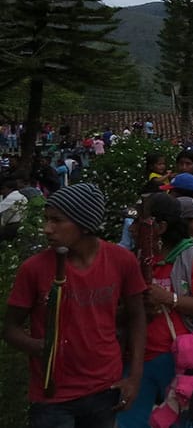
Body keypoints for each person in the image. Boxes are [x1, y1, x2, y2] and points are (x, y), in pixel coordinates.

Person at [4, 183, 147, 426]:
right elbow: (10, 328)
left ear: (84, 223)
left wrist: (134, 377)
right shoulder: (34, 269)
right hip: (52, 396)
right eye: (46, 219)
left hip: (105, 388)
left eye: (57, 221)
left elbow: (137, 316)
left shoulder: (122, 260)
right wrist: (40, 347)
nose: (47, 229)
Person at [119, 194, 193, 428]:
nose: (132, 230)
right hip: (137, 360)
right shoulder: (134, 259)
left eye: (139, 223)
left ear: (161, 227)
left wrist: (168, 298)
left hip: (178, 359)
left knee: (180, 420)